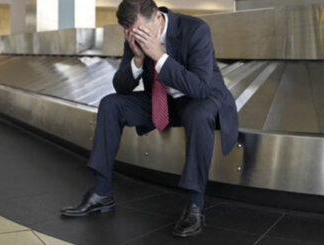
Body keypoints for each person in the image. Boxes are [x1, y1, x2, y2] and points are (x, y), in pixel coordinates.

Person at [60, 0, 239, 238]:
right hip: (162, 101)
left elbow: (200, 87)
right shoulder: (134, 36)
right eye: (133, 34)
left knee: (198, 114)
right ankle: (101, 193)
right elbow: (120, 86)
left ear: (157, 17)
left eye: (143, 32)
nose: (139, 37)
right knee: (111, 104)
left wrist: (159, 55)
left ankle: (195, 205)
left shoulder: (195, 29)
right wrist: (137, 59)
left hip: (200, 99)